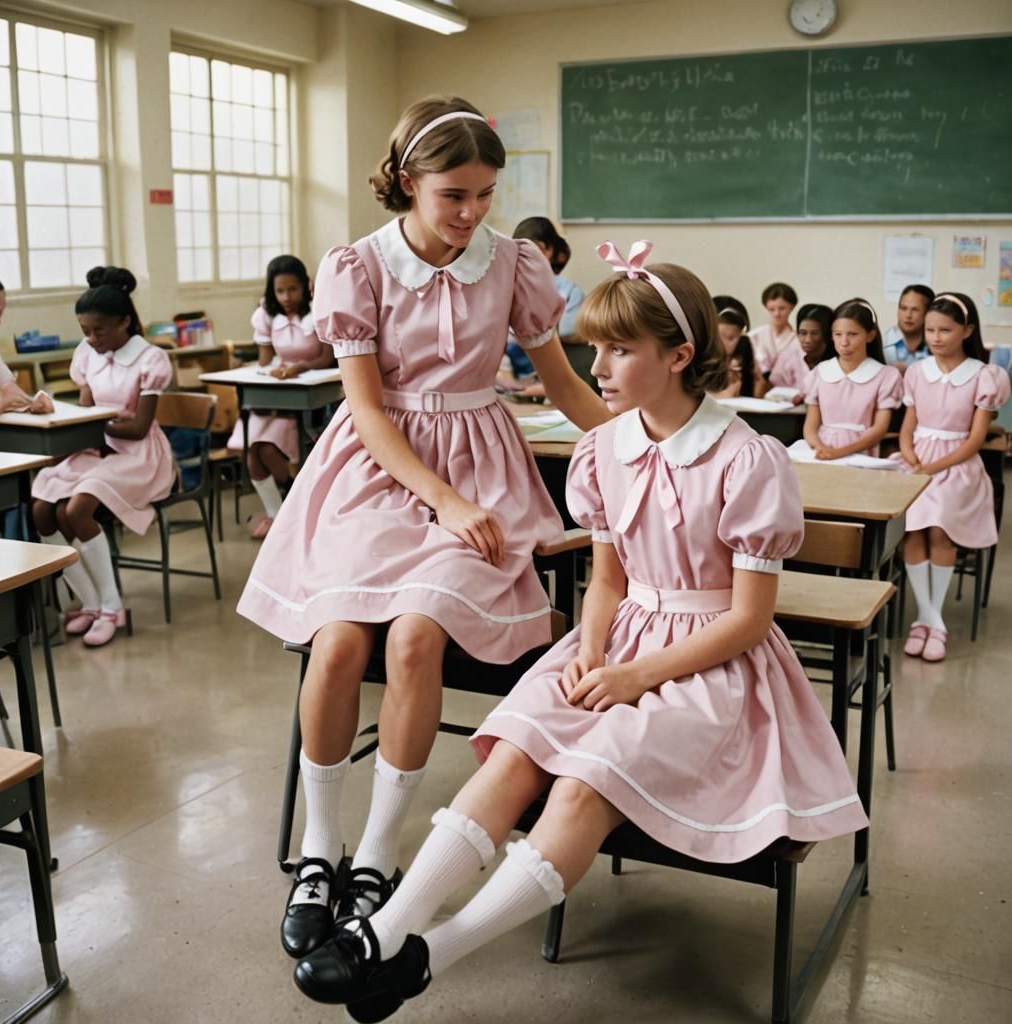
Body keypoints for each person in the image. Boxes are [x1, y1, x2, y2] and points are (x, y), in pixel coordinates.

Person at [290, 241, 868, 1021]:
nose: (596, 367)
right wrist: (593, 651)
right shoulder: (604, 450)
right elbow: (608, 583)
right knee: (516, 750)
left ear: (679, 356)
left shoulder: (746, 458)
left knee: (584, 781)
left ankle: (431, 954)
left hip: (709, 666)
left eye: (618, 350)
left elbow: (748, 619)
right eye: (594, 347)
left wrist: (634, 676)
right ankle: (386, 931)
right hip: (617, 641)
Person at [235, 96, 609, 959]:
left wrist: (650, 443)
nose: (472, 213)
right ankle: (321, 850)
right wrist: (442, 500)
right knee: (337, 646)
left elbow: (564, 384)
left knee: (413, 638)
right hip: (378, 471)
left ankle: (377, 852)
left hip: (482, 471)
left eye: (486, 195)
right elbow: (366, 410)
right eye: (454, 195)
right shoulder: (358, 266)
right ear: (409, 182)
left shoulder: (513, 263)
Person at [31, 267, 175, 647]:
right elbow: (85, 412)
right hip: (98, 447)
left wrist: (97, 426)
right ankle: (90, 602)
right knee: (43, 508)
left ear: (125, 321)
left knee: (77, 508)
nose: (92, 339)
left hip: (139, 455)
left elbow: (139, 428)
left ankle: (112, 606)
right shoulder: (87, 355)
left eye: (100, 331)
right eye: (85, 332)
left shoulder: (150, 358)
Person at [894, 292, 1010, 662]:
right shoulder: (917, 373)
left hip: (958, 466)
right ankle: (928, 620)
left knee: (939, 527)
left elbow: (975, 440)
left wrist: (933, 468)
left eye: (945, 330)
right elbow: (907, 429)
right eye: (930, 330)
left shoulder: (984, 375)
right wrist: (910, 455)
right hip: (918, 463)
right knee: (912, 529)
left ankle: (931, 620)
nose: (935, 337)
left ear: (967, 330)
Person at [227, 255, 335, 539]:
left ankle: (293, 502)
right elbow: (265, 360)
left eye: (293, 289)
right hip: (279, 392)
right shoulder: (267, 314)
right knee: (252, 452)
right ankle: (278, 514)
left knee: (266, 450)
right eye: (280, 291)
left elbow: (327, 358)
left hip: (310, 394)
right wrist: (257, 370)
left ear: (306, 286)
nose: (286, 297)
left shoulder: (319, 309)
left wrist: (299, 367)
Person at [799, 298, 902, 460]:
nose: (844, 342)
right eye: (838, 335)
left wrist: (840, 453)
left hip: (861, 454)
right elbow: (810, 427)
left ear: (870, 335)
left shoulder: (885, 376)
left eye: (853, 334)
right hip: (821, 453)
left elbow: (879, 429)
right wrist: (822, 448)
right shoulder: (820, 372)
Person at [498, 218, 585, 396]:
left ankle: (526, 390)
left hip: (543, 363)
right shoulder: (505, 285)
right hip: (514, 365)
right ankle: (524, 390)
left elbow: (573, 330)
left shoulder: (567, 289)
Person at [0, 272, 53, 420]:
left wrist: (33, 402)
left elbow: (8, 388)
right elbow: (5, 397)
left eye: (0, 314)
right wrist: (2, 401)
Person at [769, 302, 836, 397]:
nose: (807, 340)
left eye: (814, 333)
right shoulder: (788, 356)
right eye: (803, 333)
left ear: (827, 334)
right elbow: (774, 387)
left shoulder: (837, 361)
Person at [710, 297, 767, 398]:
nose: (724, 343)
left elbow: (756, 394)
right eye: (722, 336)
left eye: (731, 337)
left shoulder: (746, 357)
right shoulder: (703, 361)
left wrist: (758, 384)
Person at [748, 282, 798, 374]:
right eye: (771, 309)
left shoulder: (797, 340)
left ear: (792, 307)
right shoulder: (754, 336)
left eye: (782, 308)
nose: (776, 314)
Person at [883, 284, 934, 371]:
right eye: (903, 308)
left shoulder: (937, 344)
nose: (908, 315)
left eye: (915, 310)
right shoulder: (883, 343)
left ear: (928, 313)